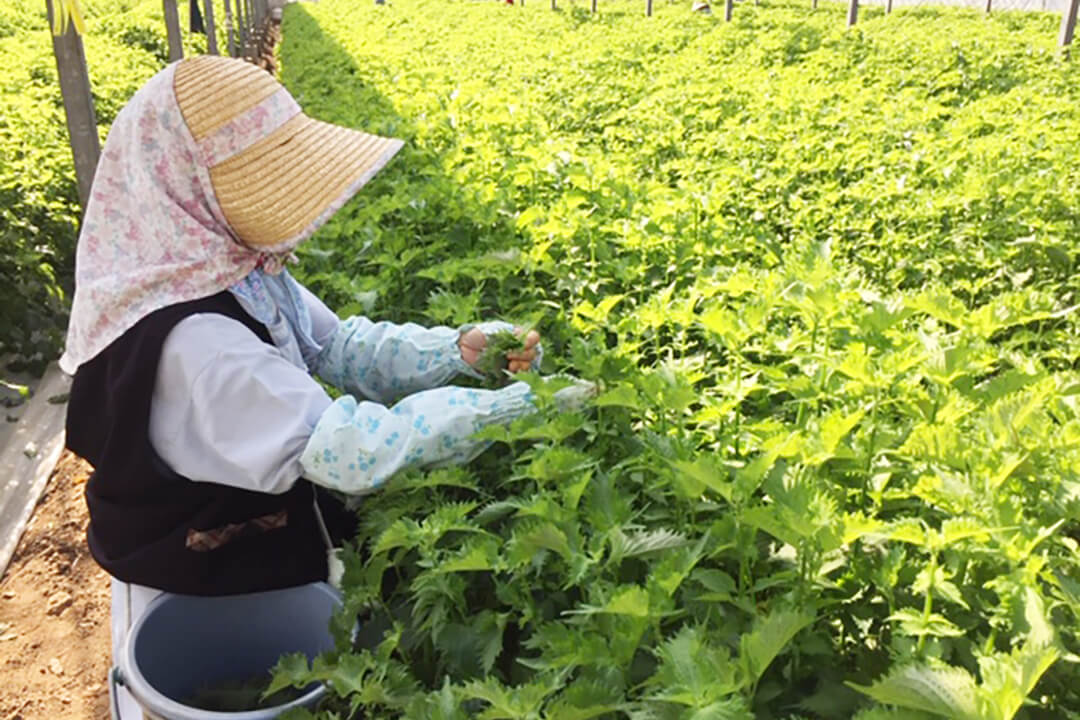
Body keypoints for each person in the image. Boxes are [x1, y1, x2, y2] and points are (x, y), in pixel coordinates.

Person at [60, 55, 591, 718]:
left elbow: (338, 346)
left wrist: (458, 351)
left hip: (242, 539)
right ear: (188, 185)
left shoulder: (226, 265)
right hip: (193, 582)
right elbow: (353, 451)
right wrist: (509, 412)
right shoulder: (197, 345)